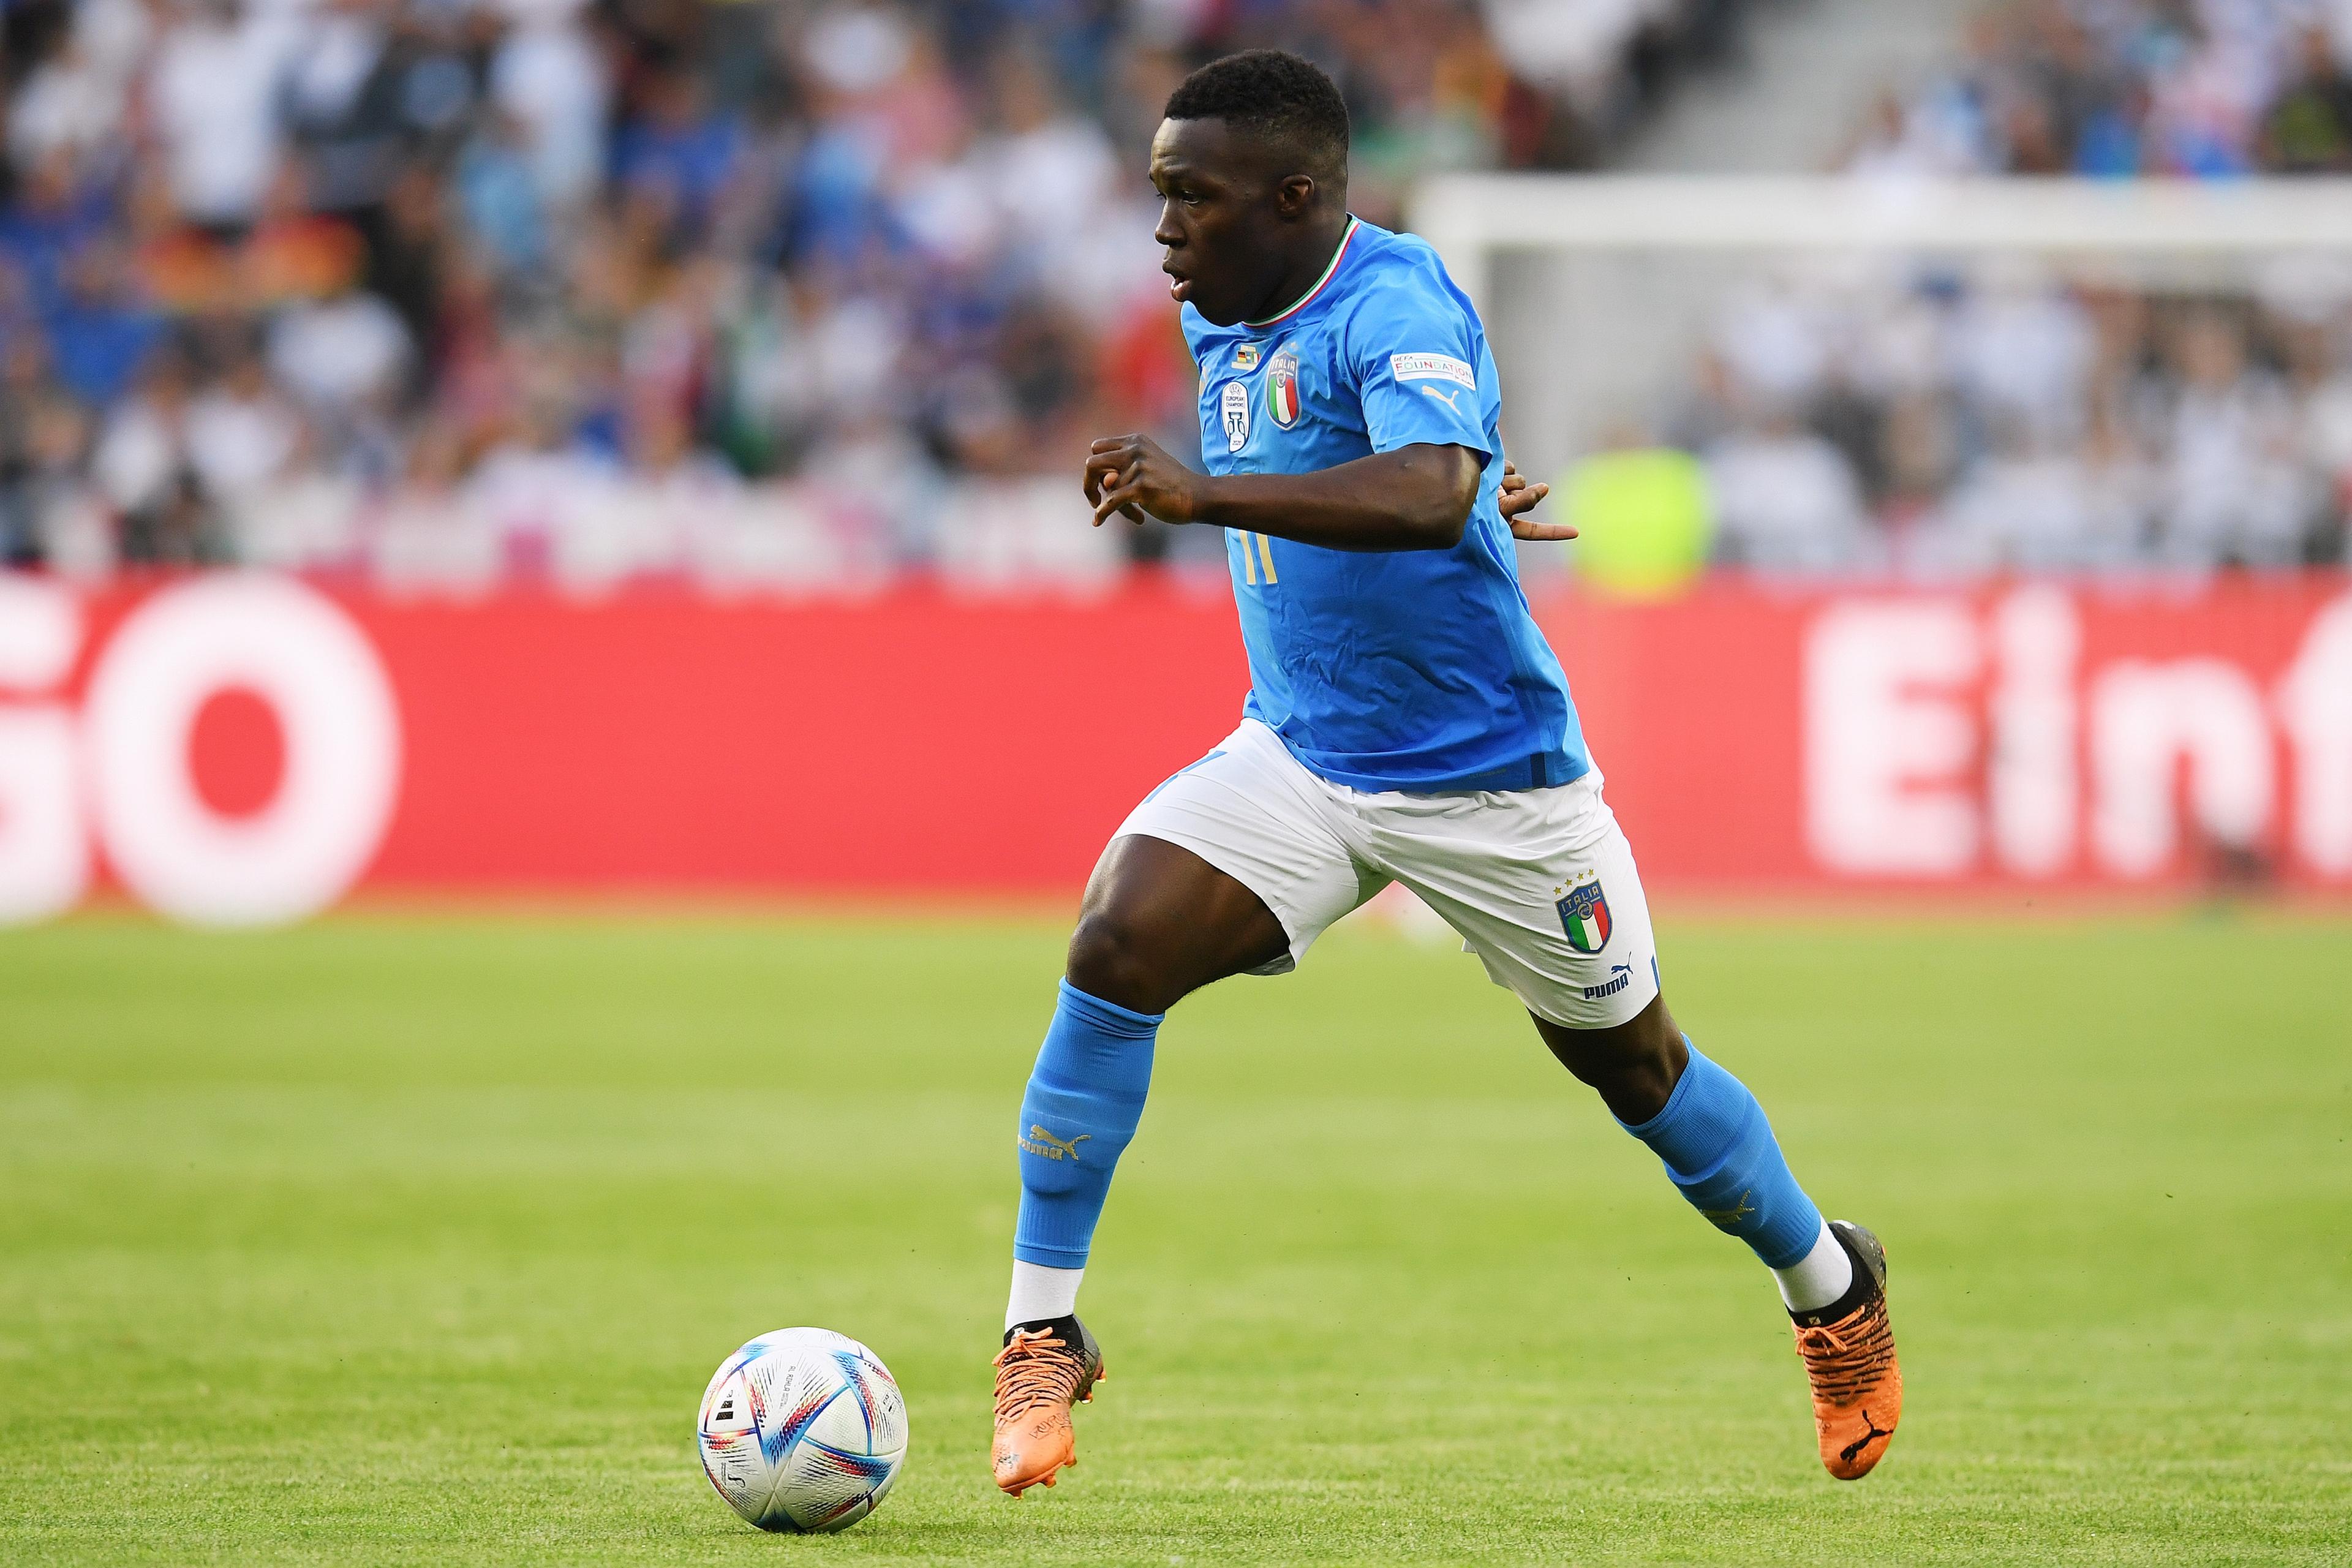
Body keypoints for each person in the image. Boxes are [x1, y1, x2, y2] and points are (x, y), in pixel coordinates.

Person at [989, 49, 1901, 1497]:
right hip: (1302, 756)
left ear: (1295, 198)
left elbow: (1424, 487)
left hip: (1493, 783)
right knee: (1117, 942)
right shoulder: (1222, 307)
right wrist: (1466, 488)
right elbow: (1410, 463)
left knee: (1639, 1072)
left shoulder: (1398, 295)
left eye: (1192, 197)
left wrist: (1226, 491)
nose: (1163, 229)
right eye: (1162, 195)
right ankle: (1041, 1331)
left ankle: (1829, 1280)